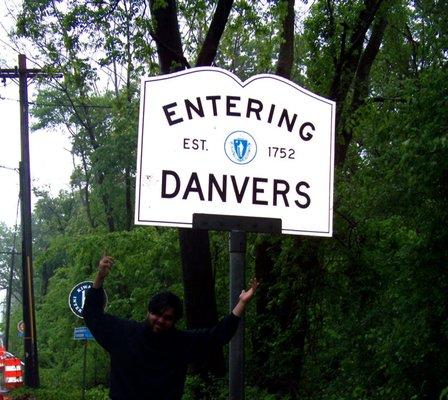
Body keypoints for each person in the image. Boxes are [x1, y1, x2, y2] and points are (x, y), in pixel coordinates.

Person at [83, 255, 259, 400]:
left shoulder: (181, 343)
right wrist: (100, 277)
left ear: (174, 321)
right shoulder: (124, 333)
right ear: (148, 312)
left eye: (167, 318)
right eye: (156, 314)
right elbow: (92, 315)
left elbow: (217, 336)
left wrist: (242, 303)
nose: (160, 320)